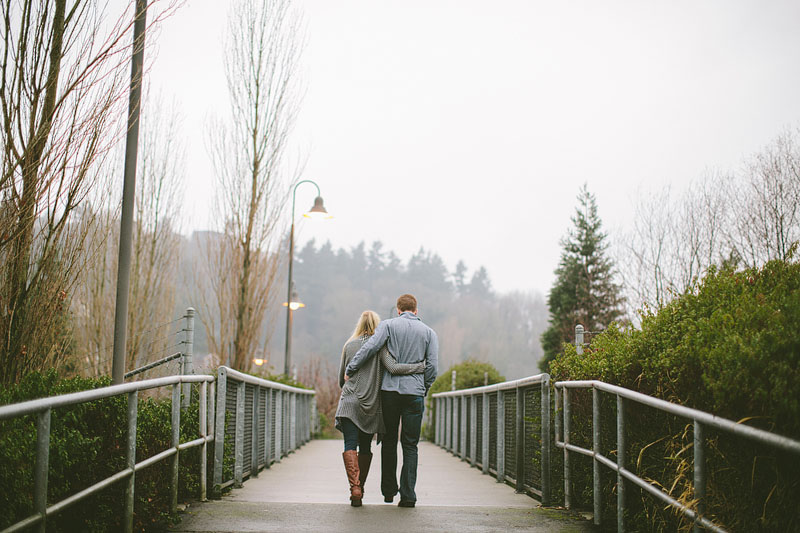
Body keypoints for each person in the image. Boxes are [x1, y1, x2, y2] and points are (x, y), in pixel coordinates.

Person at [345, 294, 438, 508]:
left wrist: (352, 368)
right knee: (410, 445)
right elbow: (432, 366)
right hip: (414, 393)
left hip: (390, 393)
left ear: (398, 309)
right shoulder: (429, 333)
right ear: (416, 309)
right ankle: (408, 495)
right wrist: (425, 385)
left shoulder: (388, 326)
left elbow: (369, 348)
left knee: (388, 442)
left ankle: (388, 491)